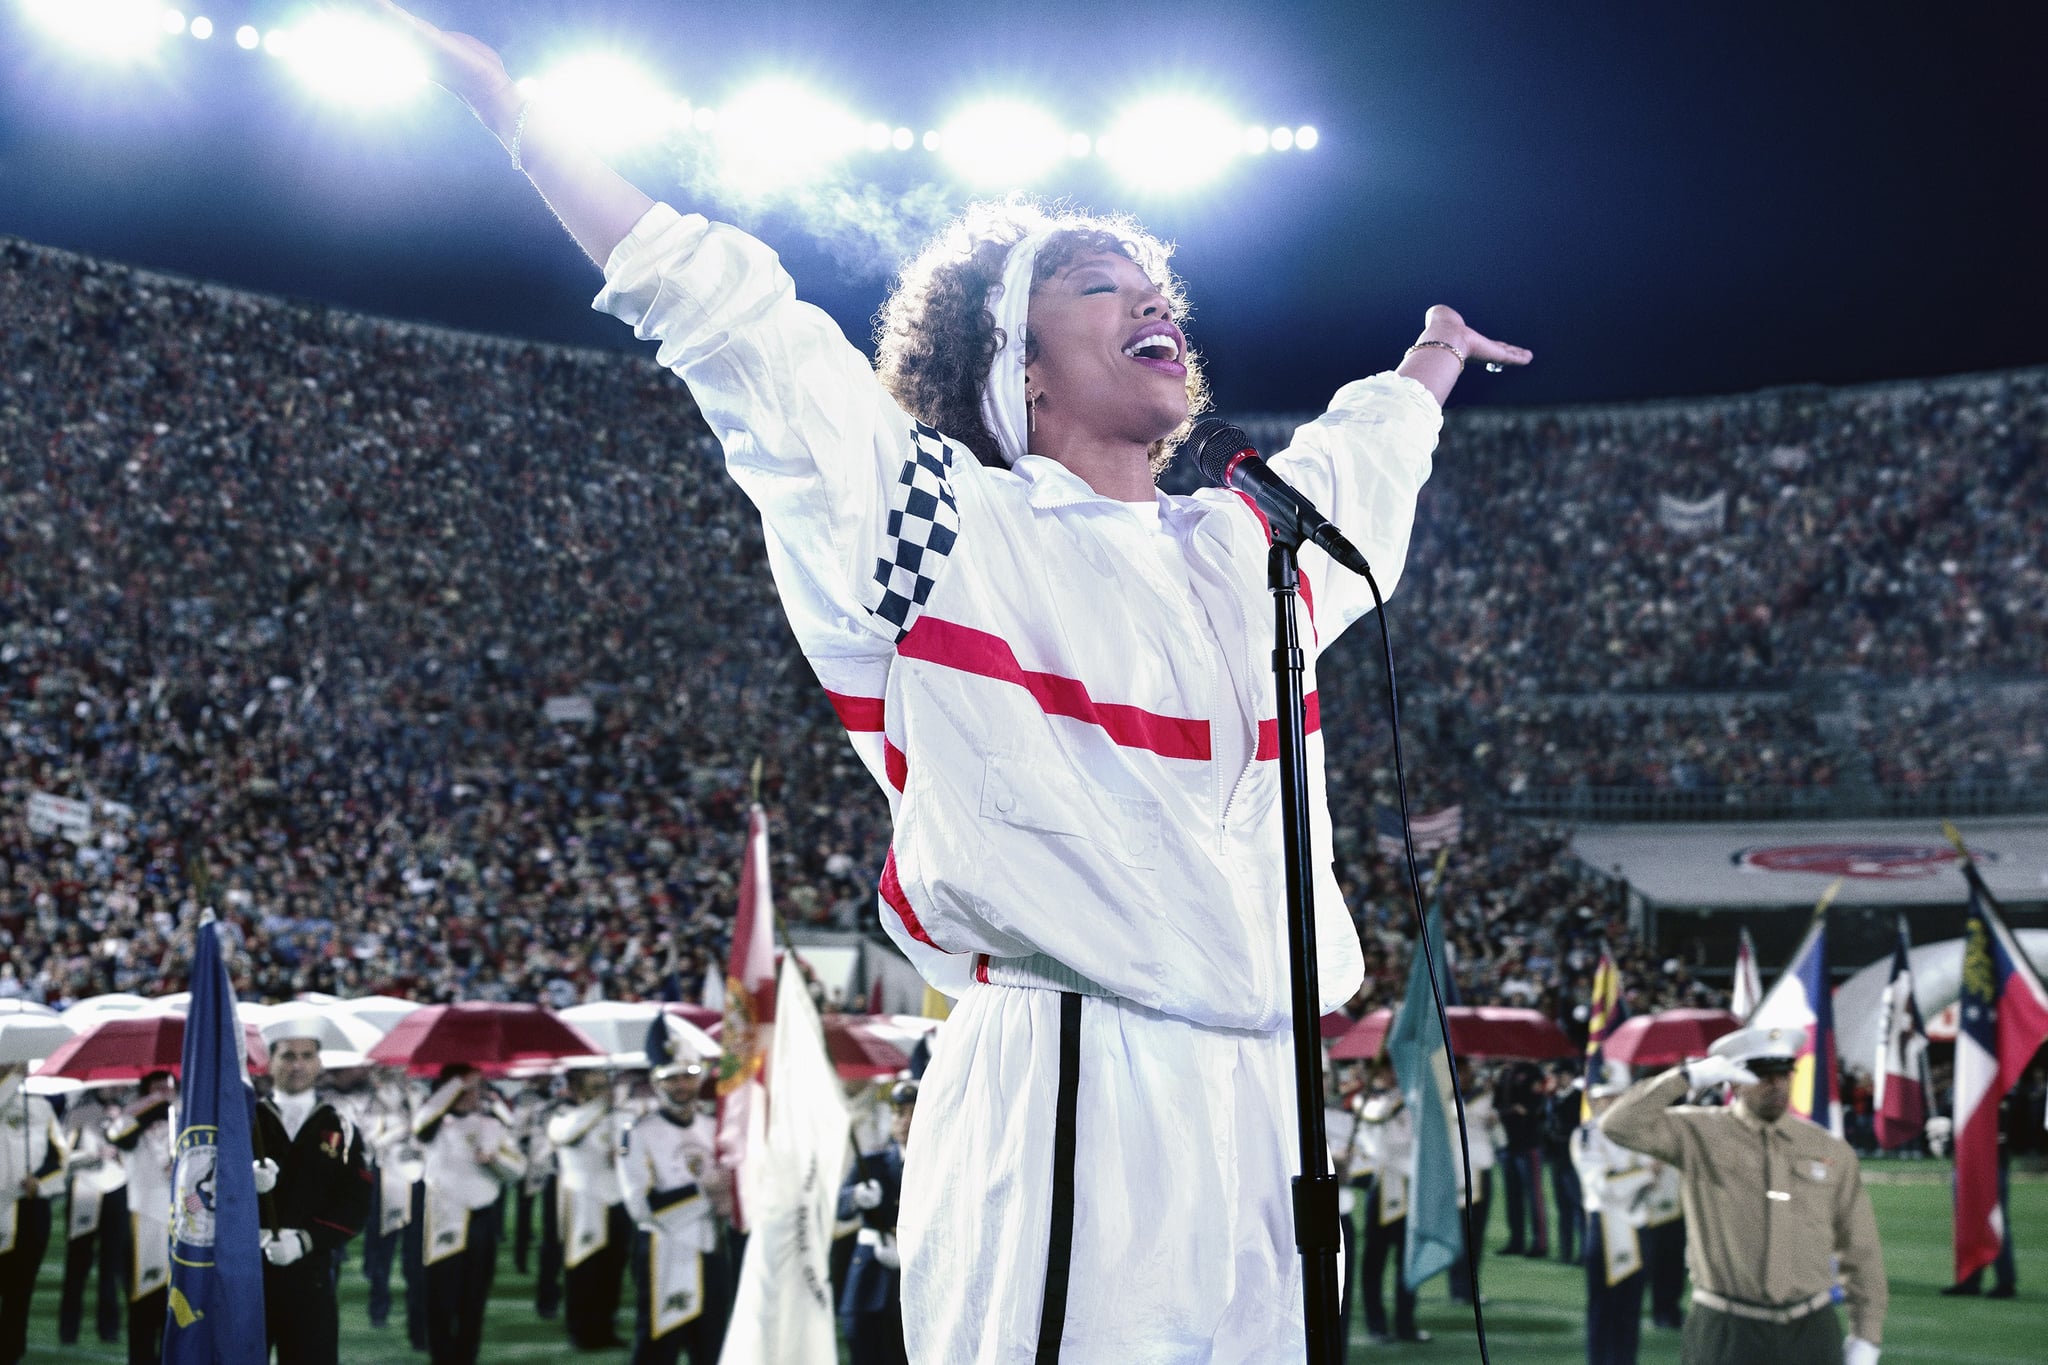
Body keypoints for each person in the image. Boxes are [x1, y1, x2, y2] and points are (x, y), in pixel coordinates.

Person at [371, 5, 1528, 1356]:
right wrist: (525, 122)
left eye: (1159, 288)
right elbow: (747, 337)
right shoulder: (941, 527)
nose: (1155, 300)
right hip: (1073, 1074)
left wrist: (1431, 363)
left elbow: (1365, 465)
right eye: (1099, 284)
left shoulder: (1250, 546)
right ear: (1017, 367)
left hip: (1267, 1098)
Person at [1601, 1025, 1887, 1365]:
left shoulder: (1828, 1149)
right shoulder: (1698, 1132)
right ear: (1733, 1081)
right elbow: (1618, 1125)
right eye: (1762, 1075)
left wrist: (1866, 1335)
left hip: (1812, 1327)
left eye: (1783, 1074)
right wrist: (1686, 1077)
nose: (1776, 1085)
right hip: (1727, 1327)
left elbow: (1860, 1248)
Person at [254, 1025, 375, 1365]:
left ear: (320, 1063)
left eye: (307, 1056)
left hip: (313, 1275)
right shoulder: (245, 1121)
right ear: (269, 1062)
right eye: (288, 1055)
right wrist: (242, 1187)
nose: (298, 1065)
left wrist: (305, 1240)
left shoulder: (342, 1125)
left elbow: (356, 1204)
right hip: (248, 1275)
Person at [617, 1053, 730, 1365]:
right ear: (655, 1082)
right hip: (663, 1249)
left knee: (713, 1343)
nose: (682, 1085)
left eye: (689, 1075)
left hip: (711, 1246)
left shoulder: (713, 1126)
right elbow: (641, 1207)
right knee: (659, 1344)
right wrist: (704, 1193)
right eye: (671, 1078)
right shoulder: (637, 1133)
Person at [413, 1064, 527, 1365]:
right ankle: (442, 1357)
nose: (470, 1096)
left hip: (481, 1218)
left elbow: (517, 1170)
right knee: (440, 1298)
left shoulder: (492, 1125)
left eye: (474, 1089)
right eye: (463, 1091)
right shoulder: (436, 1124)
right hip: (443, 1217)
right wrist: (454, 1085)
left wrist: (494, 1160)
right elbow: (421, 1124)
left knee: (473, 1298)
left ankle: (466, 1358)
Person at [548, 1064, 633, 1349]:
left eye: (603, 1086)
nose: (601, 1092)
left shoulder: (619, 1115)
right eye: (593, 1087)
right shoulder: (563, 1114)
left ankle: (606, 1327)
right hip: (582, 1198)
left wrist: (622, 1155)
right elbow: (564, 1135)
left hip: (616, 1198)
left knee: (612, 1268)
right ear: (576, 1088)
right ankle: (581, 1331)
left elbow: (633, 1146)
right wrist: (600, 1106)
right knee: (584, 1266)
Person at [1573, 1070, 1654, 1365]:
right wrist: (1645, 1174)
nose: (1610, 1103)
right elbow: (1603, 1185)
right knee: (1603, 1309)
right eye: (1604, 1098)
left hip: (1637, 1224)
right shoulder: (1585, 1136)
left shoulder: (1639, 1134)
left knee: (1630, 1310)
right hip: (1605, 1227)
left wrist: (1643, 1176)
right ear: (1594, 1102)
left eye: (1616, 1097)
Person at [839, 1079, 918, 1365]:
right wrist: (857, 1196)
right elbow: (840, 1209)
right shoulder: (871, 1163)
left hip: (913, 1278)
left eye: (913, 1113)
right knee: (863, 1346)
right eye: (899, 1113)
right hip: (869, 1276)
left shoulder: (938, 1165)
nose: (905, 1121)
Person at [1354, 1061, 1427, 1346]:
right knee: (1374, 1261)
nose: (1392, 1073)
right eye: (1385, 1069)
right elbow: (1377, 1125)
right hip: (1382, 1185)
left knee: (1407, 1261)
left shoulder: (1411, 1099)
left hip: (1408, 1184)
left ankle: (1406, 1323)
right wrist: (1394, 1099)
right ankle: (1376, 1324)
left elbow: (1413, 1137)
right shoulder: (1365, 1100)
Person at [105, 1071, 175, 1365]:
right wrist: (156, 1104)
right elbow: (119, 1136)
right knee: (144, 1303)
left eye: (167, 1085)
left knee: (180, 1306)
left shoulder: (185, 1113)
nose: (163, 1091)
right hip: (143, 1217)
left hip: (184, 1219)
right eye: (156, 1086)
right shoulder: (130, 1115)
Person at [0, 1064, 66, 1365]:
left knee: (21, 1288)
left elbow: (60, 1156)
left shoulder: (41, 1105)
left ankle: (11, 1350)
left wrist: (38, 1181)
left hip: (30, 1208)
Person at [57, 1084, 126, 1347]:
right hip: (84, 1191)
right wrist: (93, 1155)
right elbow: (63, 1156)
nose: (111, 1087)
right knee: (77, 1264)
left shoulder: (128, 1112)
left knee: (112, 1266)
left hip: (117, 1189)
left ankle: (109, 1328)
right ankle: (68, 1329)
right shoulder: (79, 1113)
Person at [1447, 1058, 1501, 1306]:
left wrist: (1494, 1122)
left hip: (1480, 1167)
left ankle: (1469, 1287)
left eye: (1465, 1070)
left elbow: (1501, 1140)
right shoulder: (1443, 1098)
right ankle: (1457, 1285)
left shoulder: (1486, 1097)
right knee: (1457, 1230)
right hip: (1453, 1169)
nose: (1462, 1075)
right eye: (1457, 1070)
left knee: (1476, 1232)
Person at [1495, 1059, 1549, 1257]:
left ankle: (1539, 1243)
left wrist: (1513, 1110)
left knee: (1534, 1196)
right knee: (1513, 1196)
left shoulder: (1532, 1072)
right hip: (1508, 1143)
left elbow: (1536, 1108)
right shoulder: (1503, 1073)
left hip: (1529, 1143)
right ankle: (1516, 1240)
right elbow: (1498, 1105)